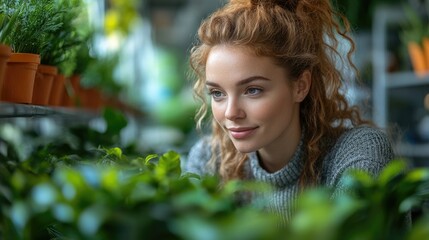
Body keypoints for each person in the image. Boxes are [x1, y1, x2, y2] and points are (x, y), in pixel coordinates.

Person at [183, 0, 394, 224]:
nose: (230, 113)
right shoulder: (208, 160)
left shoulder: (358, 154)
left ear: (300, 86)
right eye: (217, 93)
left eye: (253, 90)